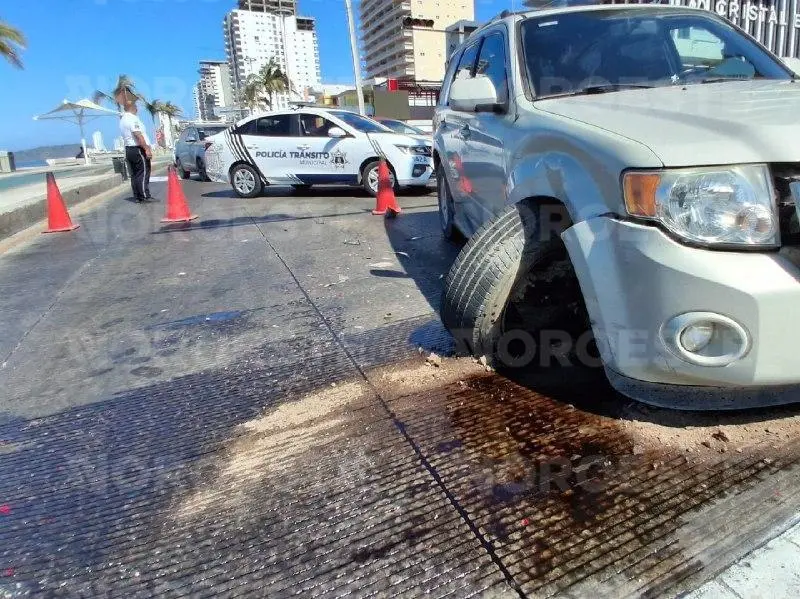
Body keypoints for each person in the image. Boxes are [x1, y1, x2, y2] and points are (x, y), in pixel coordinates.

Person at [117, 87, 153, 202]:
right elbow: (138, 134)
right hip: (137, 149)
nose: (137, 108)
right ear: (132, 108)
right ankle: (144, 195)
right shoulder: (132, 119)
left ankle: (137, 196)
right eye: (136, 106)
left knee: (135, 174)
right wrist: (146, 148)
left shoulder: (123, 120)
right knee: (143, 172)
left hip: (129, 149)